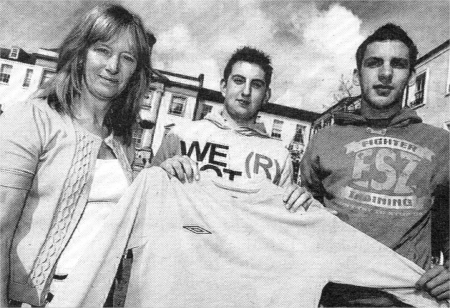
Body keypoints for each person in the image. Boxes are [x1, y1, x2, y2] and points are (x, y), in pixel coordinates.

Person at [0, 4, 153, 307]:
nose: (113, 66)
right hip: (37, 299)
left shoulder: (122, 138)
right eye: (103, 50)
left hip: (100, 296)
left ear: (136, 70)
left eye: (127, 57)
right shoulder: (32, 118)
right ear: (81, 52)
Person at [300, 23, 449, 306]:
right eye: (374, 63)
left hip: (406, 301)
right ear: (358, 75)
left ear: (411, 75)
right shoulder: (325, 139)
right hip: (332, 299)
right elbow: (304, 215)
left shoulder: (442, 145)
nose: (385, 73)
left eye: (398, 64)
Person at [152, 46, 314, 212]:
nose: (246, 91)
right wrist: (160, 173)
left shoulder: (279, 155)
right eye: (238, 80)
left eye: (256, 85)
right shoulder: (181, 134)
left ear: (266, 96)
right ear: (223, 86)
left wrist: (300, 202)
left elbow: (282, 217)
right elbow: (146, 195)